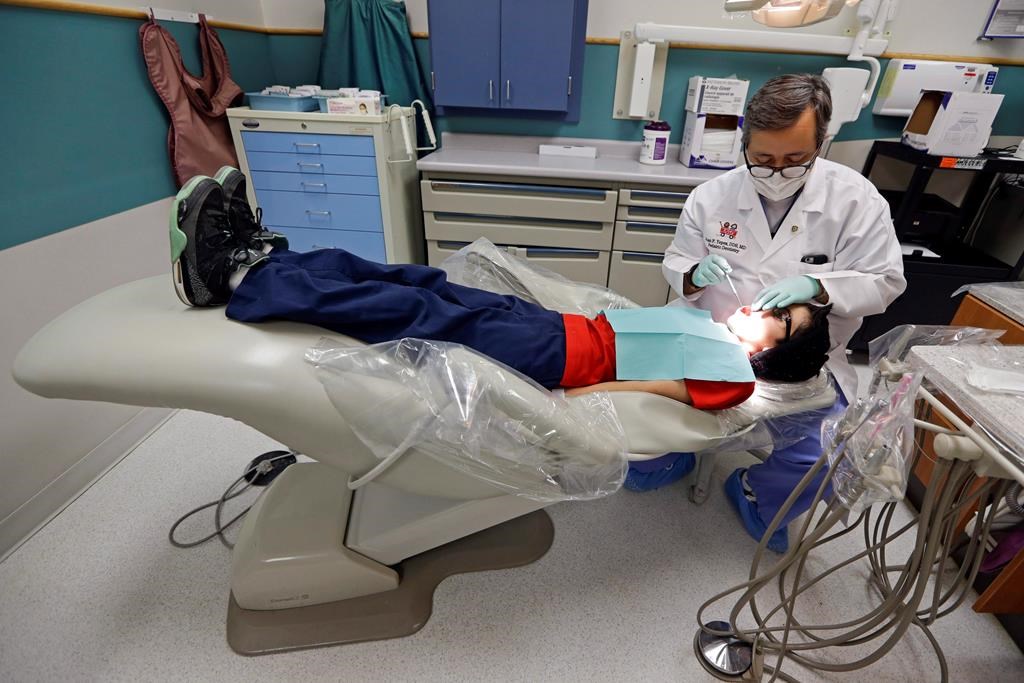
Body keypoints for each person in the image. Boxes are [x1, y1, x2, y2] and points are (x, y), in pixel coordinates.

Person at [169, 168, 832, 414]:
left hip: (559, 359)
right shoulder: (717, 328)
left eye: (782, 318)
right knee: (421, 280)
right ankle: (274, 261)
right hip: (556, 327)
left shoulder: (736, 379)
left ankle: (238, 281)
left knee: (413, 310)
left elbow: (658, 391)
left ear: (777, 352)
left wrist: (579, 397)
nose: (766, 307)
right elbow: (667, 305)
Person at [662, 74, 906, 552]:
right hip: (707, 335)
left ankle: (758, 492)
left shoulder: (855, 201)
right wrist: (694, 273)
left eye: (795, 160)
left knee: (825, 454)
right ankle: (671, 459)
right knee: (655, 426)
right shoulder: (711, 197)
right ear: (744, 143)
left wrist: (818, 285)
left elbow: (885, 281)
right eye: (763, 160)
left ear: (822, 143)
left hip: (804, 363)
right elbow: (676, 259)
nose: (777, 172)